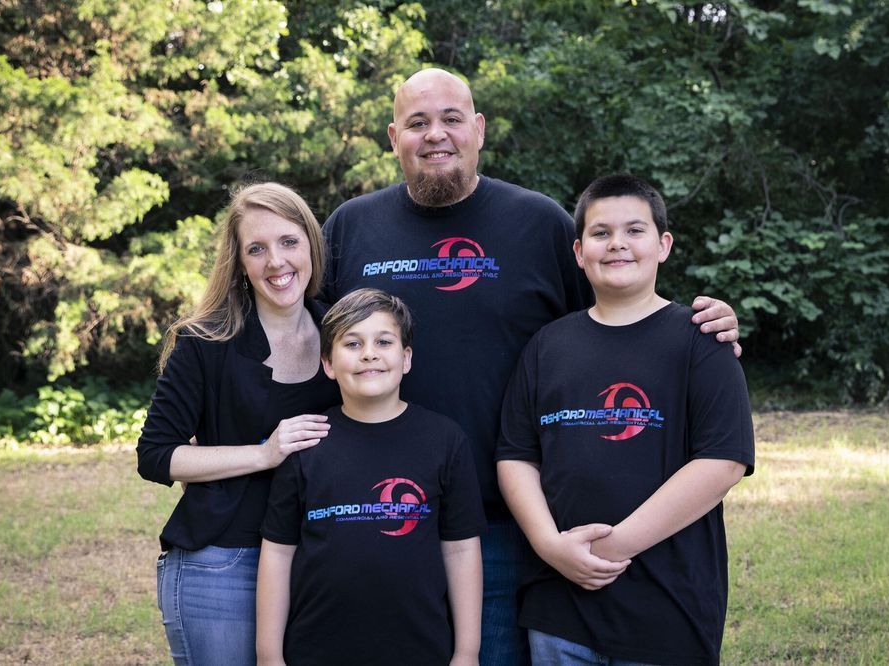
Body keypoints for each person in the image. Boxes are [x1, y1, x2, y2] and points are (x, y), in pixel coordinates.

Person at [321, 68, 742, 664]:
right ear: (393, 137)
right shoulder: (350, 227)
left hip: (504, 528)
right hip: (373, 514)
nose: (435, 134)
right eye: (417, 123)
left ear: (479, 129)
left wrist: (706, 327)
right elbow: (305, 339)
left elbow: (613, 320)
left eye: (451, 118)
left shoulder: (539, 223)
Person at [496, 174, 755, 665]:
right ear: (578, 251)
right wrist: (550, 546)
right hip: (558, 608)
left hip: (668, 607)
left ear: (663, 245)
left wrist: (614, 546)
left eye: (634, 231)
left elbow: (722, 461)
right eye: (600, 233)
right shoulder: (545, 346)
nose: (617, 244)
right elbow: (515, 454)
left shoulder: (701, 340)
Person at [136, 182, 340, 665]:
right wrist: (264, 453)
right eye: (257, 249)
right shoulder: (205, 341)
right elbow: (156, 455)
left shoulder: (343, 334)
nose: (276, 261)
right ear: (240, 263)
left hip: (317, 564)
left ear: (311, 242)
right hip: (223, 564)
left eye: (289, 242)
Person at [256, 288, 486, 665]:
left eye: (383, 341)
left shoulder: (445, 441)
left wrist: (467, 651)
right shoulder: (307, 442)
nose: (369, 354)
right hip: (316, 650)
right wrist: (268, 656)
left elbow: (461, 549)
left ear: (406, 357)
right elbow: (279, 553)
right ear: (328, 363)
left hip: (421, 650)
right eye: (352, 343)